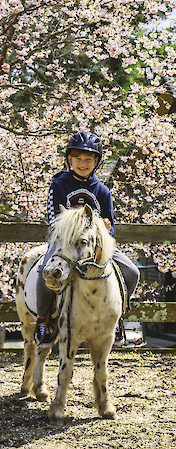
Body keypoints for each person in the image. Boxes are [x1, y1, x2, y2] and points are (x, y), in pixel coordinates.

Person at [34, 131, 140, 347]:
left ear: (96, 162)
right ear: (70, 160)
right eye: (78, 159)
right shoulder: (59, 185)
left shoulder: (102, 191)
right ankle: (43, 319)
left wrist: (107, 228)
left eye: (88, 160)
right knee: (45, 271)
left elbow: (109, 225)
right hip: (63, 242)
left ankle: (117, 317)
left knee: (132, 272)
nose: (83, 164)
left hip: (94, 246)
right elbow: (53, 219)